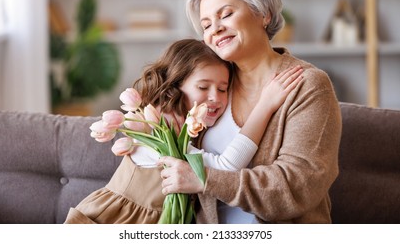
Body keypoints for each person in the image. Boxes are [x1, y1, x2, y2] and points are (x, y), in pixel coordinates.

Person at [158, 0, 342, 224]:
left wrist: (205, 179)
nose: (216, 29)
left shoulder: (308, 85)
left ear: (263, 14)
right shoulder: (213, 87)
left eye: (226, 14)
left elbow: (297, 187)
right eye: (206, 25)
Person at [64, 38, 303, 224]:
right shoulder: (157, 128)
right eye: (203, 86)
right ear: (175, 85)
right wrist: (265, 106)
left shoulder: (189, 129)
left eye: (223, 89)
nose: (215, 98)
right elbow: (227, 168)